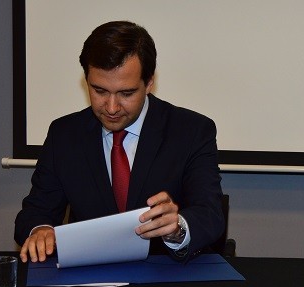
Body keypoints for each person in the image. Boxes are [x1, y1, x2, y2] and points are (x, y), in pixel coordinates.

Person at [15, 21, 224, 263]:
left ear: (149, 83)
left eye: (126, 93)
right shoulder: (64, 134)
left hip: (164, 278)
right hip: (88, 279)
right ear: (86, 81)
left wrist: (177, 228)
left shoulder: (192, 131)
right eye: (100, 91)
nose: (112, 108)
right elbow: (34, 213)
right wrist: (40, 231)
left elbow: (210, 215)